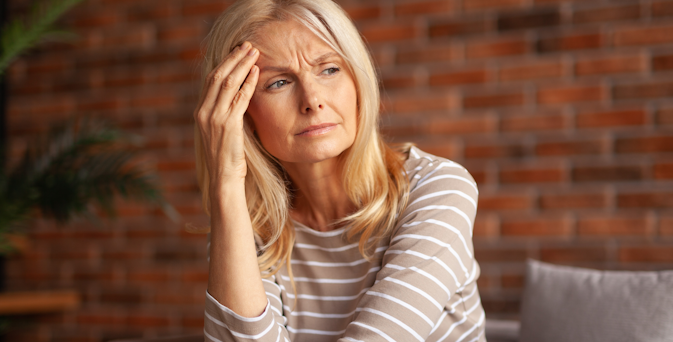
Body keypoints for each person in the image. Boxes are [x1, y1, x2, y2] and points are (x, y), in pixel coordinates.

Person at [194, 0, 485, 340]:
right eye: (278, 83)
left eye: (329, 69)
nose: (312, 99)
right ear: (240, 112)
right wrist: (226, 183)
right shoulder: (244, 223)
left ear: (358, 82)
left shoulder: (438, 189)